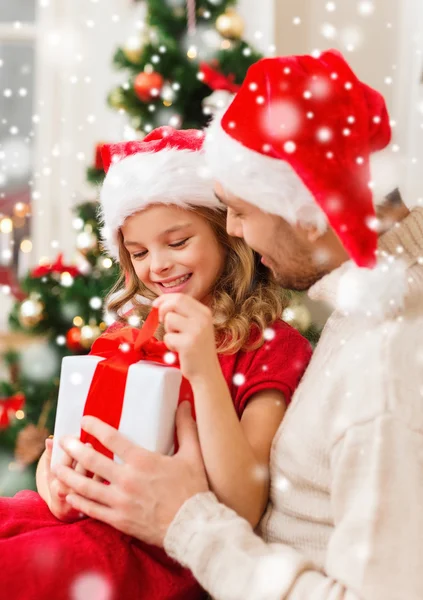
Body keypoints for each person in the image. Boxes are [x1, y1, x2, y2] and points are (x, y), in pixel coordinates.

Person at [56, 50, 423, 600]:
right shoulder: (365, 312)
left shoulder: (389, 365)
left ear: (302, 207)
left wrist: (185, 522)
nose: (234, 231)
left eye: (242, 210)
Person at [0, 127, 311, 600]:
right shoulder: (128, 338)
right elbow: (60, 449)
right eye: (140, 252)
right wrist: (55, 485)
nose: (158, 266)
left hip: (160, 552)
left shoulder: (267, 346)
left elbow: (243, 504)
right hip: (85, 524)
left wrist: (203, 367)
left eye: (178, 242)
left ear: (227, 235)